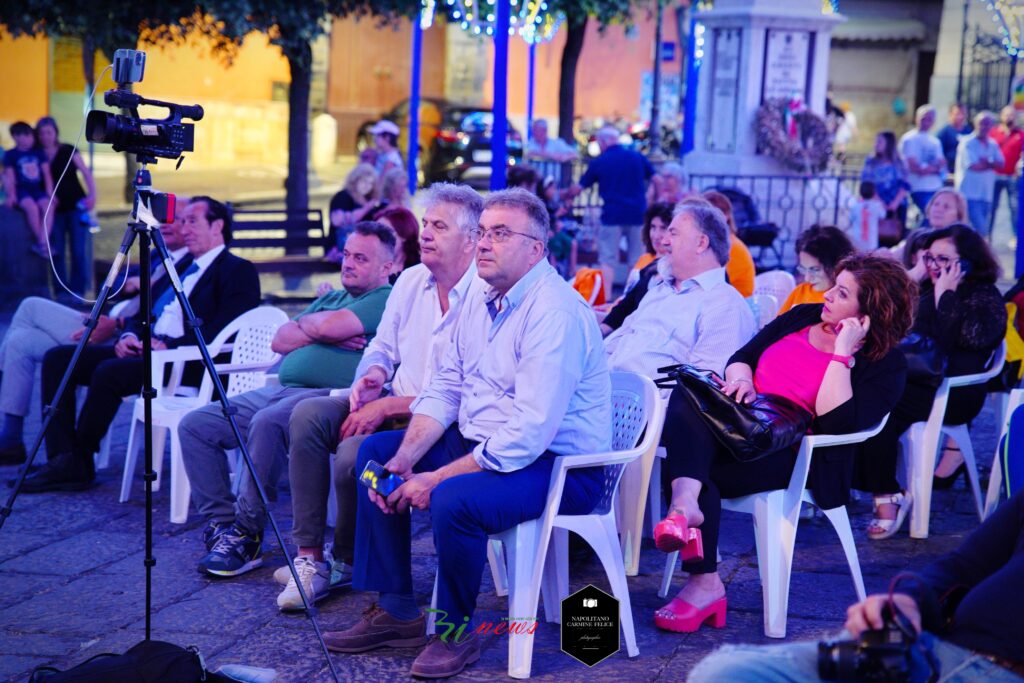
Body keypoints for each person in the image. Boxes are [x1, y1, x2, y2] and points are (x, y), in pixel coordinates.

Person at [323, 189, 611, 679]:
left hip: (560, 465)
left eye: (500, 234)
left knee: (455, 498)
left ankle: (455, 634)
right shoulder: (480, 297)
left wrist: (434, 479)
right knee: (374, 456)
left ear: (535, 249)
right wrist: (407, 458)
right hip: (488, 441)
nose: (483, 244)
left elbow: (529, 432)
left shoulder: (553, 313)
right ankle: (397, 610)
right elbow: (447, 385)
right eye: (482, 233)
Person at [653, 255, 914, 633]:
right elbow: (742, 357)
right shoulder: (803, 316)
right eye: (833, 285)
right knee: (687, 395)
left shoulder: (887, 364)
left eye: (841, 293)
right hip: (742, 425)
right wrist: (742, 380)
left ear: (869, 310)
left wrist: (841, 353)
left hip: (793, 457)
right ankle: (690, 521)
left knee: (689, 465)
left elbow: (837, 423)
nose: (827, 295)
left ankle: (696, 556)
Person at [276, 184, 482, 611]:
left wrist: (387, 405)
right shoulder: (410, 281)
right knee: (308, 414)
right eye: (425, 224)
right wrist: (373, 374)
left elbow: (465, 391)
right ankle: (310, 558)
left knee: (360, 455)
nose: (424, 234)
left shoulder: (484, 293)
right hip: (391, 399)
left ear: (470, 240)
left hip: (441, 421)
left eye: (438, 226)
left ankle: (358, 568)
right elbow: (382, 347)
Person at [179, 221, 395, 577]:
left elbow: (316, 328)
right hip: (279, 389)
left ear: (386, 267)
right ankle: (223, 525)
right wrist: (325, 333)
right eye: (346, 255)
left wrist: (315, 329)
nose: (348, 264)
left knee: (266, 422)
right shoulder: (332, 298)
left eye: (361, 258)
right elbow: (280, 340)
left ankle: (248, 533)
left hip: (327, 398)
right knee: (197, 425)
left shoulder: (384, 299)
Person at [18, 197, 261, 492]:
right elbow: (144, 311)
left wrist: (168, 345)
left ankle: (79, 461)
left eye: (192, 221)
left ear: (218, 225)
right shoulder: (181, 265)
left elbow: (225, 330)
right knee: (60, 358)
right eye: (181, 221)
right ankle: (62, 456)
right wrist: (129, 336)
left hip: (190, 363)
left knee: (109, 372)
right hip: (150, 353)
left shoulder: (237, 270)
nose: (184, 228)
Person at [688, 488, 1024, 683]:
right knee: (726, 672)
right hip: (932, 651)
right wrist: (909, 601)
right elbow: (963, 565)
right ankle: (685, 502)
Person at [0, 206, 190, 466]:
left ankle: (13, 437)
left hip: (120, 335)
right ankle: (12, 439)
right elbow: (122, 290)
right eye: (166, 218)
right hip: (109, 322)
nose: (167, 224)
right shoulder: (158, 255)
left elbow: (160, 315)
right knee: (19, 342)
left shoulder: (188, 265)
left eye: (180, 220)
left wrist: (119, 325)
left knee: (31, 306)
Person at [854, 225, 1006, 539]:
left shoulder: (985, 296)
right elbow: (880, 312)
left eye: (943, 259)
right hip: (915, 385)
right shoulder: (923, 286)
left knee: (881, 411)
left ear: (968, 261)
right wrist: (913, 275)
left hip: (956, 393)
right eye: (930, 257)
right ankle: (881, 489)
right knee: (863, 403)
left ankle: (886, 497)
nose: (935, 266)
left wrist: (945, 296)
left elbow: (957, 342)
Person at [604, 202, 756, 383]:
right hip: (604, 395)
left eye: (673, 233)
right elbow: (613, 343)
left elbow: (699, 390)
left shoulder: (724, 305)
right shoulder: (659, 291)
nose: (664, 241)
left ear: (701, 243)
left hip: (646, 406)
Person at [564, 125, 655, 298]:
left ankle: (606, 298)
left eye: (598, 142)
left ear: (604, 142)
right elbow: (656, 178)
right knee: (636, 259)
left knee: (608, 259)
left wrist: (565, 195)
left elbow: (580, 188)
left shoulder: (601, 161)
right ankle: (631, 297)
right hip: (637, 214)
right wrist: (651, 198)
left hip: (612, 215)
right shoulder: (636, 156)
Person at [36, 116, 97, 296]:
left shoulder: (68, 150)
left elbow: (86, 173)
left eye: (49, 132)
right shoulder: (38, 155)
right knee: (58, 251)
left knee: (78, 250)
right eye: (42, 133)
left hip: (76, 205)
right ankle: (60, 291)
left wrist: (93, 194)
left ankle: (78, 290)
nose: (45, 136)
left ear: (55, 133)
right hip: (55, 210)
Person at [599, 201, 674, 335]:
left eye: (663, 228)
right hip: (617, 315)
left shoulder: (674, 269)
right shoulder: (645, 260)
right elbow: (627, 298)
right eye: (653, 227)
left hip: (633, 325)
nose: (656, 235)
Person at [777, 226, 856, 315]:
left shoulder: (844, 300)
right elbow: (777, 326)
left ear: (837, 265)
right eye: (803, 269)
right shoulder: (800, 292)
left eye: (815, 270)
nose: (807, 278)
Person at [3, 121, 53, 257]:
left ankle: (42, 243)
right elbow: (10, 177)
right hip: (22, 191)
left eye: (31, 136)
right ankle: (42, 243)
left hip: (37, 190)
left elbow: (46, 174)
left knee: (47, 206)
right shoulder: (11, 155)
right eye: (26, 136)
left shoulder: (39, 153)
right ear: (16, 137)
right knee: (31, 208)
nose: (30, 139)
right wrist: (11, 195)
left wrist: (50, 193)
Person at [955, 111, 1004, 236]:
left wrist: (986, 161)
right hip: (969, 193)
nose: (985, 127)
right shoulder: (967, 142)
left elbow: (1002, 164)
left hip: (986, 193)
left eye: (988, 124)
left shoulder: (992, 144)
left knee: (976, 230)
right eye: (982, 123)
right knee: (981, 230)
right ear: (975, 124)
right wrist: (991, 163)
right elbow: (973, 166)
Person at [703, 190, 756, 297]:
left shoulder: (732, 247)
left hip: (733, 305)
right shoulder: (713, 244)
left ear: (725, 216)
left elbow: (710, 283)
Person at [861, 131, 911, 236]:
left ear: (889, 144)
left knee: (897, 234)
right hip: (876, 204)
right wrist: (880, 203)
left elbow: (905, 184)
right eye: (876, 142)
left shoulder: (900, 162)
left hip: (898, 205)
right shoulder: (871, 162)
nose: (876, 144)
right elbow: (867, 182)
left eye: (879, 142)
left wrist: (894, 204)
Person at [899, 105, 946, 215]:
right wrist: (933, 168)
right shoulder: (909, 139)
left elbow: (942, 164)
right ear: (916, 118)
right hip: (918, 187)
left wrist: (931, 168)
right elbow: (914, 166)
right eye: (923, 117)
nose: (926, 121)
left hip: (935, 187)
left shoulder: (935, 141)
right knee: (931, 215)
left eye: (929, 119)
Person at [328, 163, 378, 252]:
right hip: (340, 249)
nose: (367, 186)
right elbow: (337, 221)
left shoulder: (369, 200)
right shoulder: (343, 196)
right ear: (355, 180)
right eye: (364, 181)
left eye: (370, 183)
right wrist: (365, 209)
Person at [989, 105, 1023, 235]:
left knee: (1015, 207)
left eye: (1012, 115)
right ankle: (987, 235)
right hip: (995, 175)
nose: (1009, 117)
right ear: (1001, 116)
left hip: (1012, 177)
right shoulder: (993, 132)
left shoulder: (1020, 135)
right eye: (1007, 114)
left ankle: (1016, 236)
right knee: (991, 207)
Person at [525, 119, 576, 186]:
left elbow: (574, 154)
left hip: (553, 183)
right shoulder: (530, 143)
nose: (533, 132)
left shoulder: (556, 143)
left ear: (544, 130)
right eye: (533, 129)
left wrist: (563, 157)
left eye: (536, 129)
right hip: (534, 182)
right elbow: (528, 153)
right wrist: (553, 155)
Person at [372, 205, 421, 277]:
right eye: (375, 232)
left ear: (404, 235)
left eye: (384, 232)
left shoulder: (420, 269)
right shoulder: (370, 264)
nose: (377, 237)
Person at [847, 180, 886, 251]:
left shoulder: (856, 206)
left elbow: (851, 219)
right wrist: (879, 200)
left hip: (858, 239)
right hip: (872, 241)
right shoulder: (877, 205)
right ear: (874, 193)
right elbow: (883, 215)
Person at [937, 103, 973, 176]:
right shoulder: (944, 133)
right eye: (957, 114)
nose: (960, 117)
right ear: (950, 114)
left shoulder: (969, 132)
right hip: (949, 172)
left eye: (963, 114)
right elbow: (939, 154)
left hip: (966, 172)